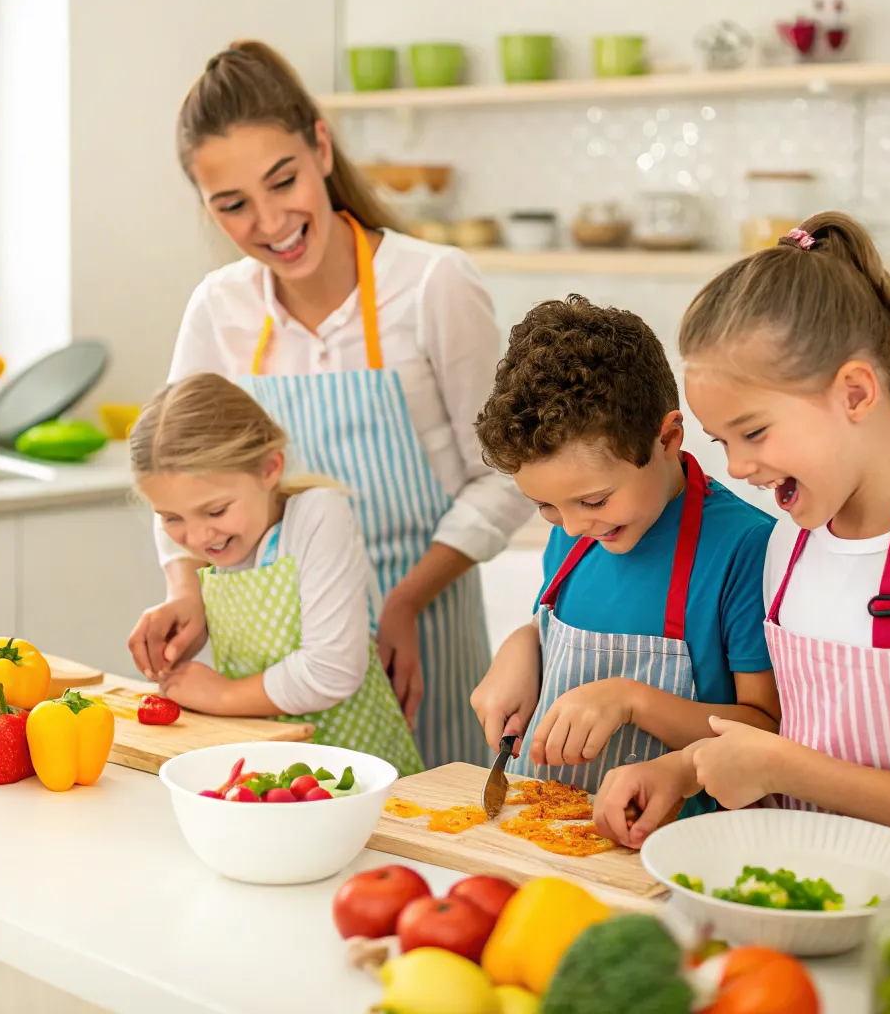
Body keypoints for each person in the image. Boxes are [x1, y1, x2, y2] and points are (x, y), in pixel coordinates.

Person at [127, 40, 533, 770]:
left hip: (426, 634)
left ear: (320, 145)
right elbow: (178, 473)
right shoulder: (219, 309)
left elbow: (509, 473)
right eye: (233, 205)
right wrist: (184, 586)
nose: (270, 221)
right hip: (277, 669)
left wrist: (405, 600)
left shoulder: (432, 284)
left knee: (428, 840)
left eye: (282, 182)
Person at [595, 213, 890, 853]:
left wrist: (783, 768)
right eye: (722, 440)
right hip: (799, 888)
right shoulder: (791, 545)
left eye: (753, 432)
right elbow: (799, 739)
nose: (737, 467)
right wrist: (681, 770)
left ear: (856, 393)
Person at [470, 295, 779, 812]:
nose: (572, 526)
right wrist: (520, 648)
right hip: (554, 831)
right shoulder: (577, 531)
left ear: (668, 439)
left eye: (594, 500)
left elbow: (766, 729)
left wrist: (631, 700)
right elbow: (552, 621)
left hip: (677, 844)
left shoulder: (744, 549)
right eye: (545, 505)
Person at [129, 372, 424, 777]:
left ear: (269, 468)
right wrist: (184, 613)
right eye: (171, 517)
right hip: (269, 769)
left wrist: (224, 695)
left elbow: (332, 671)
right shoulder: (220, 542)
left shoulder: (318, 516)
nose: (196, 537)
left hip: (353, 775)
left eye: (215, 511)